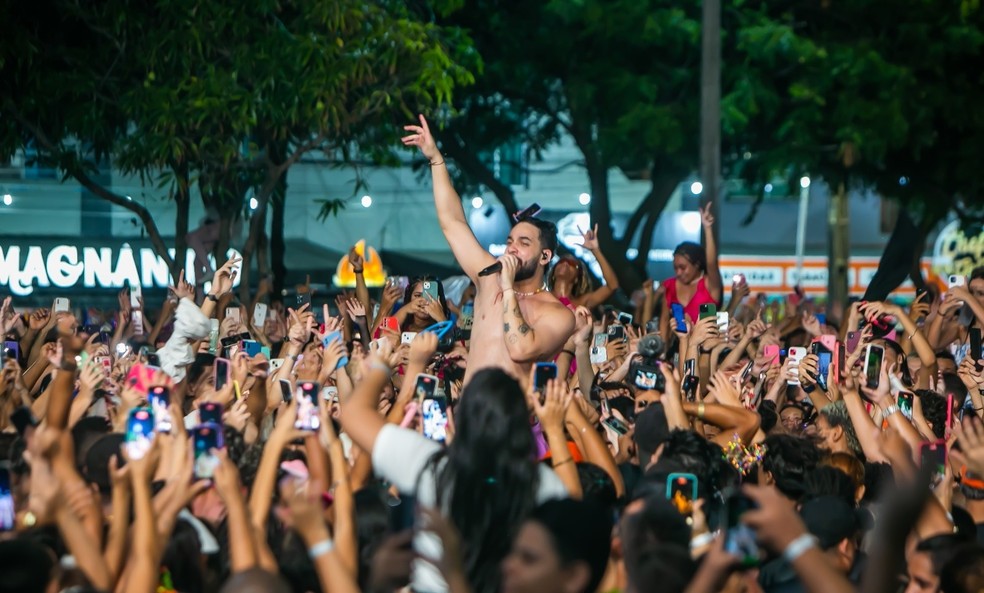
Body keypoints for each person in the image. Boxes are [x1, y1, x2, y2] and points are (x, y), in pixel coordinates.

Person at [402, 115, 575, 385]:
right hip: (469, 406)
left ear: (545, 256)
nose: (512, 249)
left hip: (510, 410)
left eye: (524, 243)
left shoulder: (559, 314)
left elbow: (521, 350)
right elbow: (452, 222)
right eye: (510, 241)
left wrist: (507, 289)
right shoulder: (487, 279)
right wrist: (436, 159)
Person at [659, 203, 722, 333]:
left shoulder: (709, 284)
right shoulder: (670, 285)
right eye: (675, 268)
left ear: (697, 264)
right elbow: (664, 321)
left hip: (707, 344)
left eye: (683, 267)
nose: (678, 272)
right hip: (679, 344)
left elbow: (711, 263)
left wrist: (708, 228)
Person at [547, 224, 620, 310]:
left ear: (576, 278)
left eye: (572, 263)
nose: (565, 264)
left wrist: (595, 250)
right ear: (553, 273)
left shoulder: (582, 303)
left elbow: (612, 286)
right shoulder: (541, 297)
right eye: (561, 261)